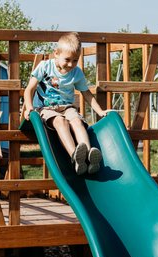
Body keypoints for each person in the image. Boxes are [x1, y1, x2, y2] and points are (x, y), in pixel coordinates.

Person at [22, 32, 108, 175]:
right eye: (67, 59)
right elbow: (29, 89)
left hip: (67, 106)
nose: (71, 64)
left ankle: (88, 156)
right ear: (56, 53)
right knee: (61, 122)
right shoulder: (45, 67)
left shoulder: (77, 73)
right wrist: (29, 108)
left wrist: (100, 111)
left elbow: (87, 94)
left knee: (77, 121)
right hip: (46, 108)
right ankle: (75, 156)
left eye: (75, 60)